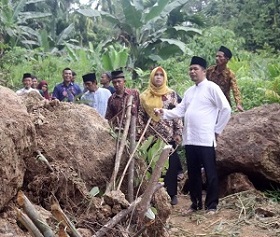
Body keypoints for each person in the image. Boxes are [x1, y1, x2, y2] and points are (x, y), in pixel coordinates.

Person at [154, 56, 231, 214]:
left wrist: (217, 130)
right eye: (190, 69)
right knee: (194, 174)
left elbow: (226, 109)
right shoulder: (189, 91)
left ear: (203, 71)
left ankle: (212, 205)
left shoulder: (211, 88)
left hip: (205, 139)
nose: (192, 71)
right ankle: (195, 204)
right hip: (190, 139)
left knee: (210, 173)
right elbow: (180, 111)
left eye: (196, 68)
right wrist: (164, 113)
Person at [139, 66, 183, 205]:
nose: (158, 77)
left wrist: (178, 132)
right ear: (152, 77)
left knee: (171, 166)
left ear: (164, 78)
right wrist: (143, 134)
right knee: (152, 165)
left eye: (161, 75)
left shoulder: (171, 94)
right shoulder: (144, 96)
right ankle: (154, 195)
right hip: (152, 137)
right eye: (156, 75)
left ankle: (172, 194)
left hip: (168, 135)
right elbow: (141, 116)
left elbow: (177, 114)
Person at [206, 46, 244, 112]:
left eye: (220, 57)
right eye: (216, 56)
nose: (217, 58)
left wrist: (238, 104)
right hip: (209, 103)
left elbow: (235, 90)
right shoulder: (210, 71)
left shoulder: (230, 74)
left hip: (223, 104)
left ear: (226, 59)